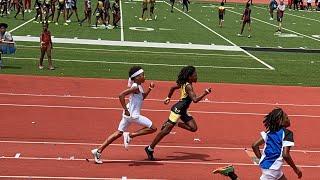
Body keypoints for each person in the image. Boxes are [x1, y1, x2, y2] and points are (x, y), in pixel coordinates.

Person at [91, 66, 157, 164]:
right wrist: (125, 110)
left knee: (118, 133)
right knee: (153, 128)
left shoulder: (138, 86)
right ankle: (130, 135)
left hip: (128, 115)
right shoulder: (135, 87)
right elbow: (121, 95)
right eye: (142, 75)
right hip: (133, 115)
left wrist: (150, 89)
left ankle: (98, 151)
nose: (145, 76)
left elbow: (142, 97)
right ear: (137, 77)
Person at [213, 108, 303, 180]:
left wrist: (262, 159)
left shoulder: (269, 132)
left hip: (271, 167)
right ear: (280, 121)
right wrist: (296, 169)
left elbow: (254, 145)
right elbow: (285, 155)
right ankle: (231, 173)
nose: (289, 119)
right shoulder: (287, 133)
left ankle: (230, 173)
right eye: (286, 117)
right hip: (272, 170)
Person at [145, 66, 211, 161]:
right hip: (177, 110)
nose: (197, 76)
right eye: (195, 75)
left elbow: (172, 88)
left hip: (183, 110)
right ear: (189, 77)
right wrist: (205, 93)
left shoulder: (184, 83)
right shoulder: (188, 86)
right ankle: (150, 148)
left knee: (193, 128)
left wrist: (168, 97)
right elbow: (195, 100)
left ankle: (175, 123)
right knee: (165, 132)